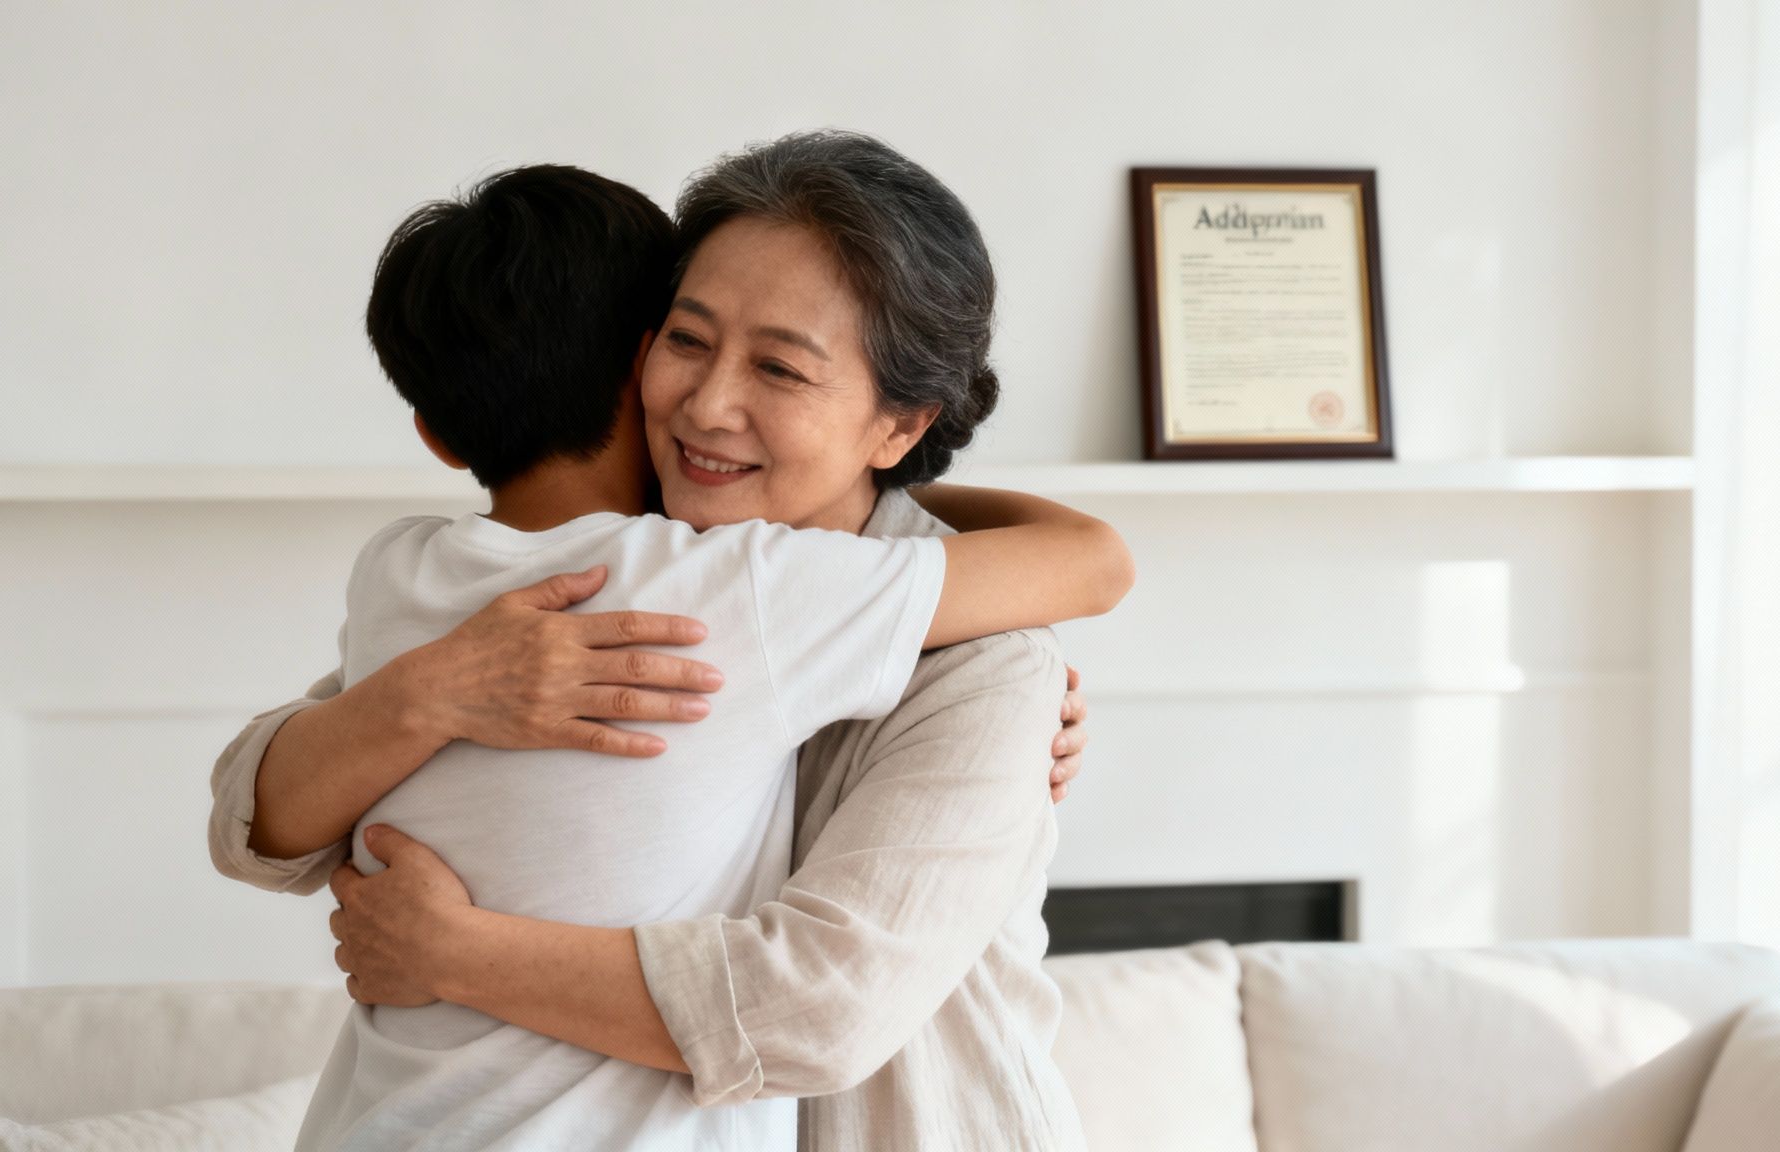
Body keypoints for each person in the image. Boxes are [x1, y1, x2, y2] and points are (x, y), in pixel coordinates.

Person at [211, 130, 1108, 1150]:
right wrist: (431, 694)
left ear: (897, 426)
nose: (707, 405)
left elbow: (816, 1010)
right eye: (686, 340)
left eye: (778, 367)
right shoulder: (607, 576)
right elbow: (258, 822)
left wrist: (452, 952)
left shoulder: (986, 664)